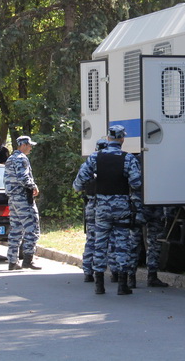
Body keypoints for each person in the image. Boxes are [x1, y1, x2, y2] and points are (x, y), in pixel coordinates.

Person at [73, 125, 142, 295]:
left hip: (101, 209)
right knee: (122, 244)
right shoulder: (128, 159)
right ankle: (122, 285)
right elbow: (136, 183)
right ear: (122, 139)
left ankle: (99, 284)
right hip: (122, 209)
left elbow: (79, 182)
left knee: (100, 244)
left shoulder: (95, 157)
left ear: (109, 138)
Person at [4, 135, 41, 271]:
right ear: (23, 145)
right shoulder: (21, 159)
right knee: (33, 228)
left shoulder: (10, 158)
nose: (31, 148)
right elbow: (23, 177)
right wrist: (33, 186)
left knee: (16, 229)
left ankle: (12, 261)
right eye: (29, 145)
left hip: (13, 199)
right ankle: (28, 260)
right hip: (22, 198)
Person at [73, 138, 108, 283]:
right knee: (110, 239)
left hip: (92, 204)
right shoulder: (114, 163)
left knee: (92, 239)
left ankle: (88, 271)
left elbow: (77, 185)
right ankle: (115, 272)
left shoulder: (89, 164)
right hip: (107, 204)